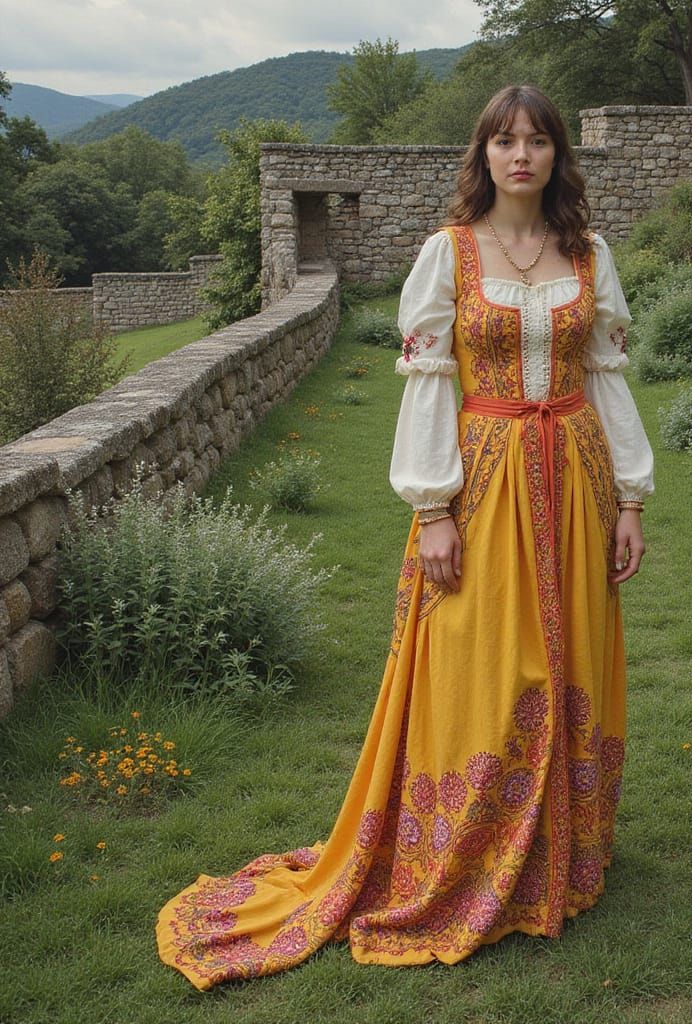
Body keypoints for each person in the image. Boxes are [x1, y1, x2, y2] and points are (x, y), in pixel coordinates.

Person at [155, 84, 654, 988]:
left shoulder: (589, 254)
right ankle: (464, 853)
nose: (521, 157)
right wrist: (432, 509)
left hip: (576, 476)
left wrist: (631, 497)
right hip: (490, 479)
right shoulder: (449, 254)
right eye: (504, 141)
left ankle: (555, 852)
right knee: (485, 667)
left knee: (571, 658)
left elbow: (608, 376)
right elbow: (430, 384)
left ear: (557, 156)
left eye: (538, 141)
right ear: (483, 155)